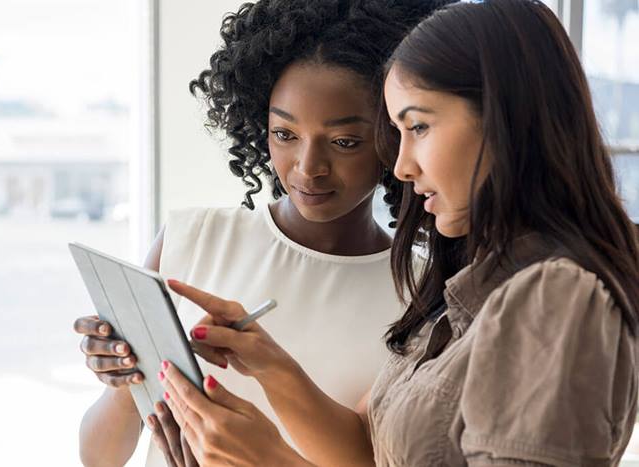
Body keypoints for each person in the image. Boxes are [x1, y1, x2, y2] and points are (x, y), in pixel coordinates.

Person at [152, 0, 639, 465]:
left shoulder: (555, 296)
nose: (401, 166)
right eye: (397, 134)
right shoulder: (469, 284)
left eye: (419, 127)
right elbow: (367, 449)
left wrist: (268, 459)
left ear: (505, 122)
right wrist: (266, 361)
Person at [72, 1, 450, 466]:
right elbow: (98, 457)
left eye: (344, 142)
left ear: (393, 137)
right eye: (285, 134)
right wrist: (125, 384)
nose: (308, 168)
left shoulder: (425, 292)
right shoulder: (193, 239)